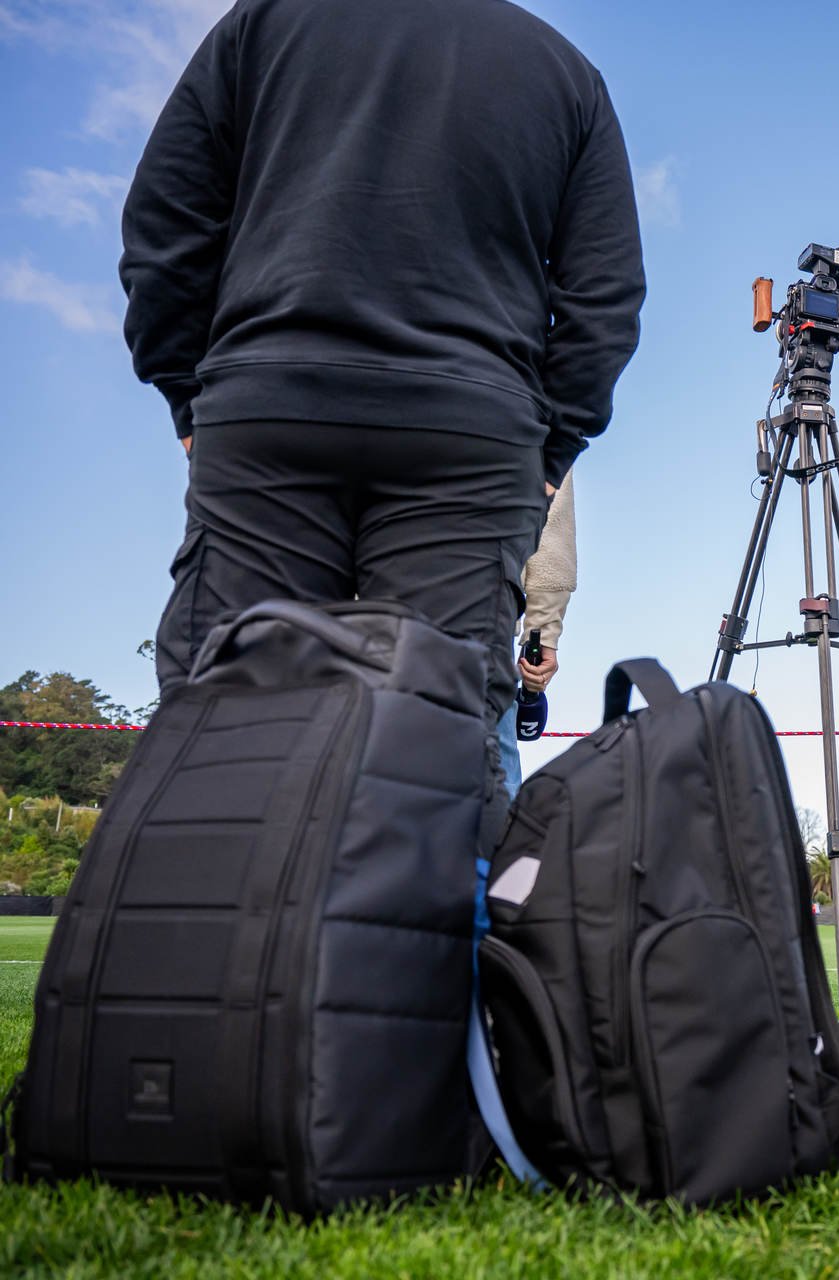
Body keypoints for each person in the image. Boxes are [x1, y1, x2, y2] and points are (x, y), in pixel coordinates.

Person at [123, 0, 645, 842]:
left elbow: (167, 223)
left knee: (228, 723)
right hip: (469, 433)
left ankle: (209, 965)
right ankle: (426, 969)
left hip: (273, 406)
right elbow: (603, 297)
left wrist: (189, 391)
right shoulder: (563, 72)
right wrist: (550, 448)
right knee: (439, 745)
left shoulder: (264, 26)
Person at [498, 470, 578, 800]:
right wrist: (543, 631)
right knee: (491, 797)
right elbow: (551, 514)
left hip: (363, 621)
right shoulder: (530, 417)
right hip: (481, 617)